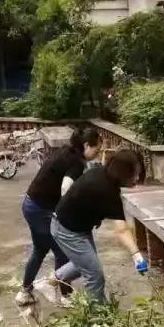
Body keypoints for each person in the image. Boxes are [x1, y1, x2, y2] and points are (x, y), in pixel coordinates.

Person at [15, 127, 101, 308]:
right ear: (86, 145)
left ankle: (25, 292)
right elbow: (65, 188)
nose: (97, 153)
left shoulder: (66, 151)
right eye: (96, 149)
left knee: (40, 250)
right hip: (41, 210)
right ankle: (65, 296)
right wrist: (66, 214)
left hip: (31, 204)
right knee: (63, 251)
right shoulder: (77, 163)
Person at [50, 148, 149, 303]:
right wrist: (136, 255)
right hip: (66, 230)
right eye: (133, 174)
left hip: (77, 226)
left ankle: (49, 282)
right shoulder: (106, 189)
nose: (137, 178)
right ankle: (98, 317)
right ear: (122, 171)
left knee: (83, 264)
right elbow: (122, 229)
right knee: (95, 275)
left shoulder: (103, 175)